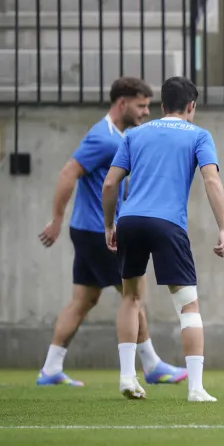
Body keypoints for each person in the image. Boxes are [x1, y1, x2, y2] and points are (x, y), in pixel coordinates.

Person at [36, 77, 186, 387]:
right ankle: (152, 365)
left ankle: (51, 368)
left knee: (84, 299)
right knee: (133, 296)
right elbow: (69, 173)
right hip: (99, 232)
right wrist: (55, 220)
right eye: (141, 105)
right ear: (122, 103)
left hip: (88, 230)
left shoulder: (118, 136)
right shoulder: (104, 138)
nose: (146, 112)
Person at [102, 76, 224, 402]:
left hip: (129, 220)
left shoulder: (134, 134)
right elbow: (211, 180)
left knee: (130, 298)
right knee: (188, 304)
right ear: (191, 106)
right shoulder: (199, 135)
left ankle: (128, 376)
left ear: (161, 106)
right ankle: (196, 388)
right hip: (167, 223)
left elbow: (109, 184)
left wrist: (108, 225)